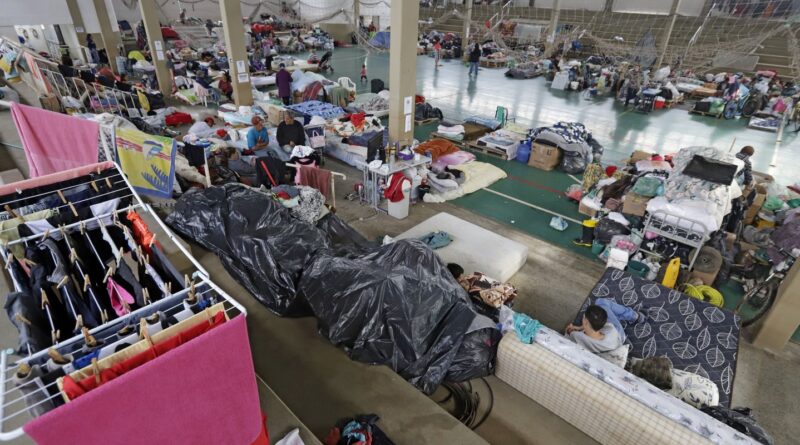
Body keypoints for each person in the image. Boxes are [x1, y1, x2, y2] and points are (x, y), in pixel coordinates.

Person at [565, 299, 644, 354]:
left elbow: (568, 331)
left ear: (585, 322)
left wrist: (577, 328)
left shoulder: (577, 336)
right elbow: (606, 325)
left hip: (613, 345)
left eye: (584, 317)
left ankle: (632, 318)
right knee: (601, 302)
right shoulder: (611, 329)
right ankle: (636, 316)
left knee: (602, 305)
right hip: (617, 336)